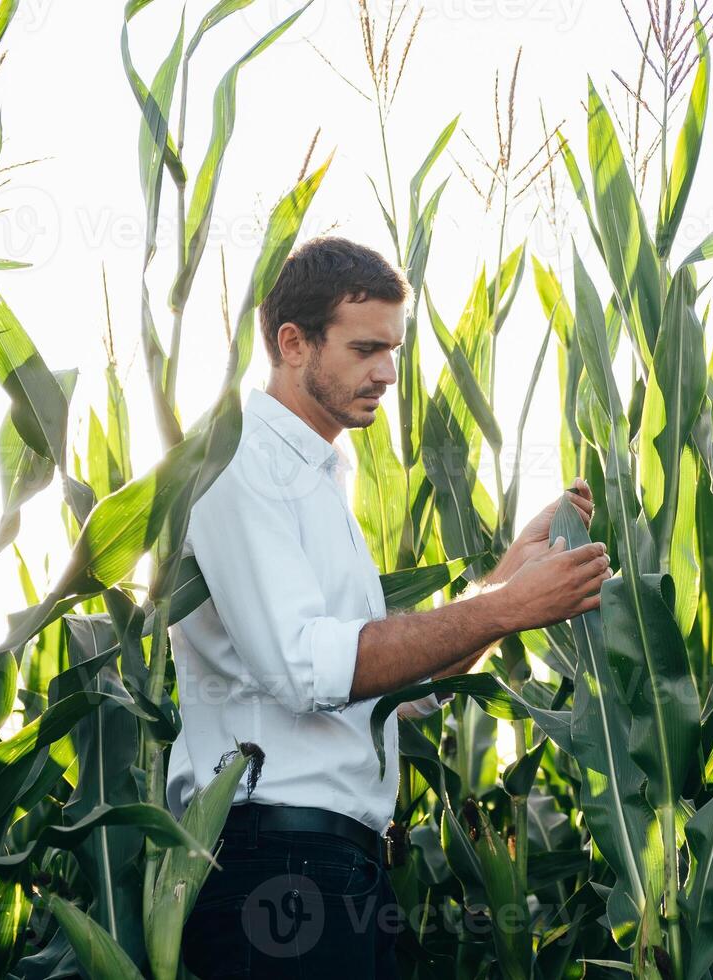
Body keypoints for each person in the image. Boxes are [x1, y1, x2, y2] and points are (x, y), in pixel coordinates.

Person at [168, 236, 608, 977]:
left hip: (340, 862)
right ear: (292, 342)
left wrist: (507, 579)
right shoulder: (242, 461)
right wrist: (504, 610)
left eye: (394, 350)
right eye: (365, 348)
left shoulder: (316, 474)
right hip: (275, 860)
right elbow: (306, 670)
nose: (388, 373)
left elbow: (390, 699)